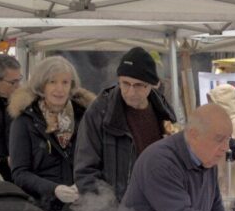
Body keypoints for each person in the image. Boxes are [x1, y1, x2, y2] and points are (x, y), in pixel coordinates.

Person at [9, 55, 95, 211]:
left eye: (65, 82)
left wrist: (83, 184)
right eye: (53, 82)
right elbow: (19, 173)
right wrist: (53, 189)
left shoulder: (86, 117)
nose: (59, 89)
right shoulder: (24, 122)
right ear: (41, 86)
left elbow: (96, 160)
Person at [74, 47, 177, 202]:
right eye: (125, 83)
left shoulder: (165, 114)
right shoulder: (100, 112)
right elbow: (85, 171)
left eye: (138, 85)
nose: (130, 91)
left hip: (156, 207)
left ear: (153, 85)